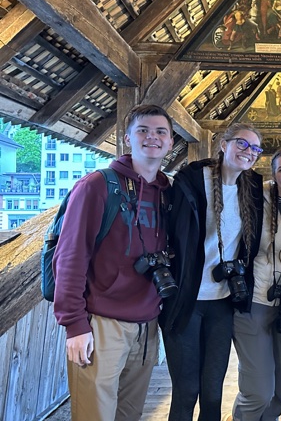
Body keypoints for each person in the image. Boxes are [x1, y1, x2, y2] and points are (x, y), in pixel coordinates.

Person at [53, 104, 174, 420]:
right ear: (127, 139)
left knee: (129, 415)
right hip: (101, 325)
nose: (152, 137)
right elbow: (70, 256)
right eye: (143, 130)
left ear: (171, 142)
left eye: (161, 132)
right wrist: (74, 325)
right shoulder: (97, 185)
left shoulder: (168, 193)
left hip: (148, 326)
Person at [160, 123, 264, 421]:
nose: (248, 152)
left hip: (222, 301)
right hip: (185, 299)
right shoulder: (190, 182)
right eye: (242, 144)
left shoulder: (253, 188)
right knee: (186, 390)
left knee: (213, 391)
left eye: (255, 148)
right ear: (224, 144)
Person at [228, 145, 281, 421]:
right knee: (258, 391)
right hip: (254, 301)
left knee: (280, 389)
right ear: (273, 174)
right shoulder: (254, 199)